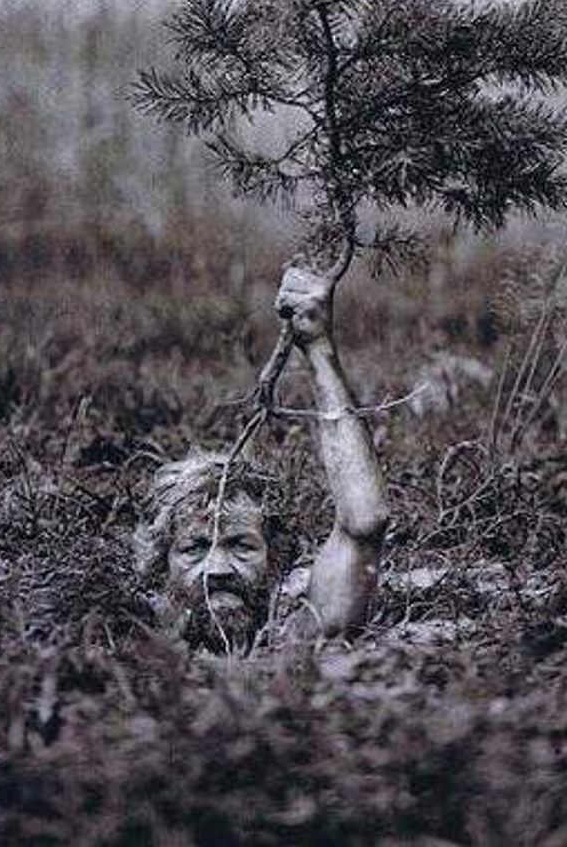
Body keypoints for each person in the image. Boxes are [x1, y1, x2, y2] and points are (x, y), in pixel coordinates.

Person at [133, 264, 390, 652]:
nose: (217, 569)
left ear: (275, 560)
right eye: (194, 548)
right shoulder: (124, 637)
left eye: (241, 545)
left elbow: (364, 524)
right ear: (159, 566)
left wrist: (318, 348)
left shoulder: (296, 638)